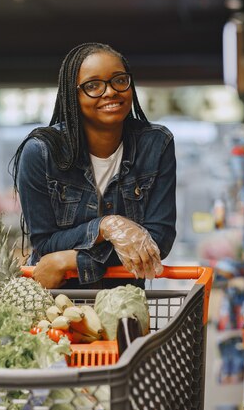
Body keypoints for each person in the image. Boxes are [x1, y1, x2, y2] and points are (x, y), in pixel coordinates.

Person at [11, 42, 176, 289]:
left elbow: (157, 242)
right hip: (58, 304)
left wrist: (70, 259)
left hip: (124, 304)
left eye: (119, 80)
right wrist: (105, 227)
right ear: (72, 95)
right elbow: (45, 245)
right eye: (93, 86)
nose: (110, 92)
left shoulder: (155, 145)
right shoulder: (41, 152)